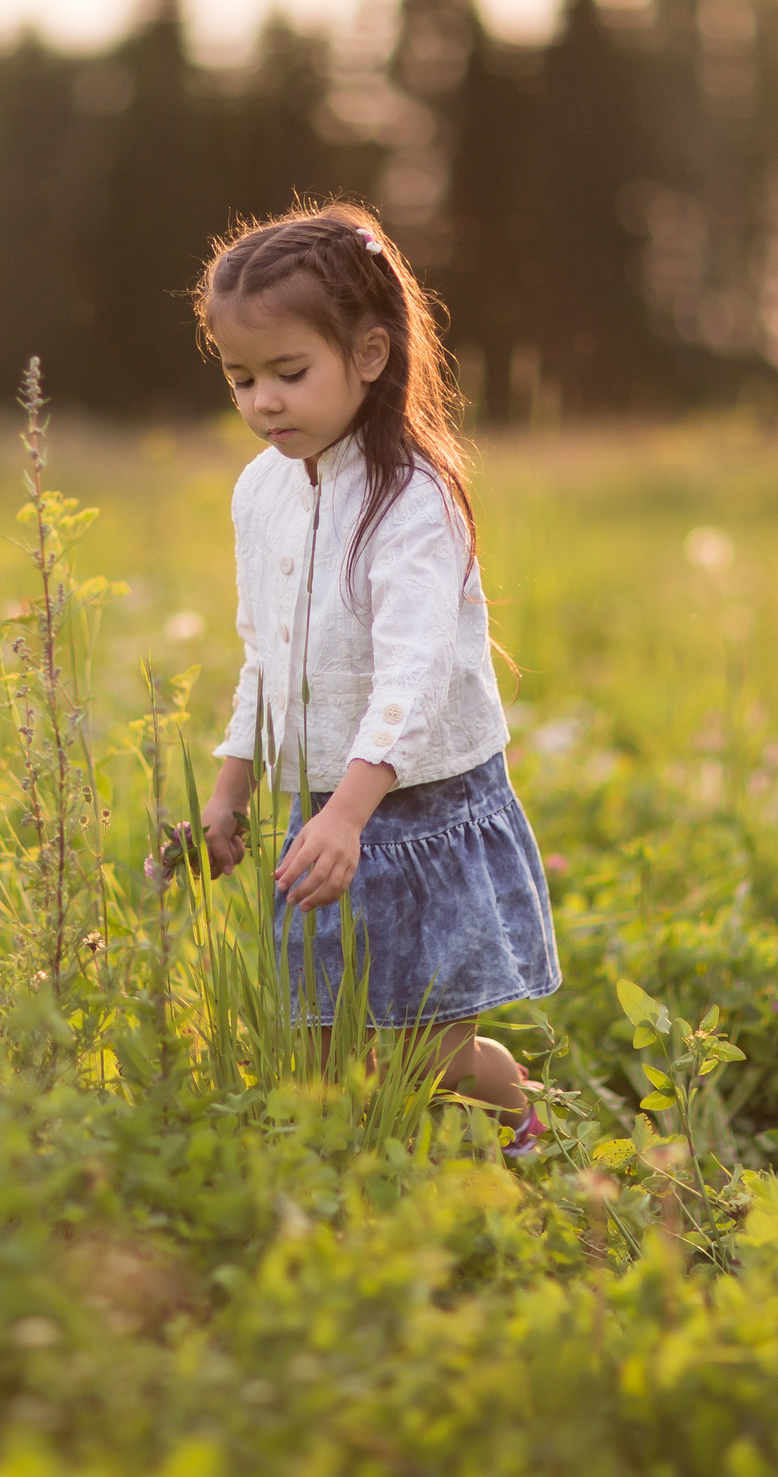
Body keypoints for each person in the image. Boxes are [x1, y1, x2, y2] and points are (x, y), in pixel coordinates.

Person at [194, 200, 559, 1158]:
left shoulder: (412, 498)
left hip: (416, 805)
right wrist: (232, 790)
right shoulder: (260, 490)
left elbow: (416, 670)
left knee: (427, 1049)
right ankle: (362, 1181)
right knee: (320, 1036)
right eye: (241, 379)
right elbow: (263, 655)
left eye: (288, 372)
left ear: (368, 354)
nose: (263, 402)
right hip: (320, 811)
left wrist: (352, 810)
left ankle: (516, 1111)